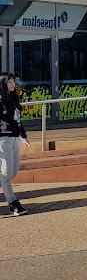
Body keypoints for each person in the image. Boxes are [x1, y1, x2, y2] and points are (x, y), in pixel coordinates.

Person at [0, 72, 30, 215]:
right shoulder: (0, 99)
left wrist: (23, 136)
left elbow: (18, 120)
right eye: (10, 81)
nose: (13, 84)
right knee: (6, 173)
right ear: (3, 83)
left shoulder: (13, 97)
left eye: (13, 81)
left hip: (14, 138)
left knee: (13, 172)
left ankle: (7, 191)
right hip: (3, 138)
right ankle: (13, 203)